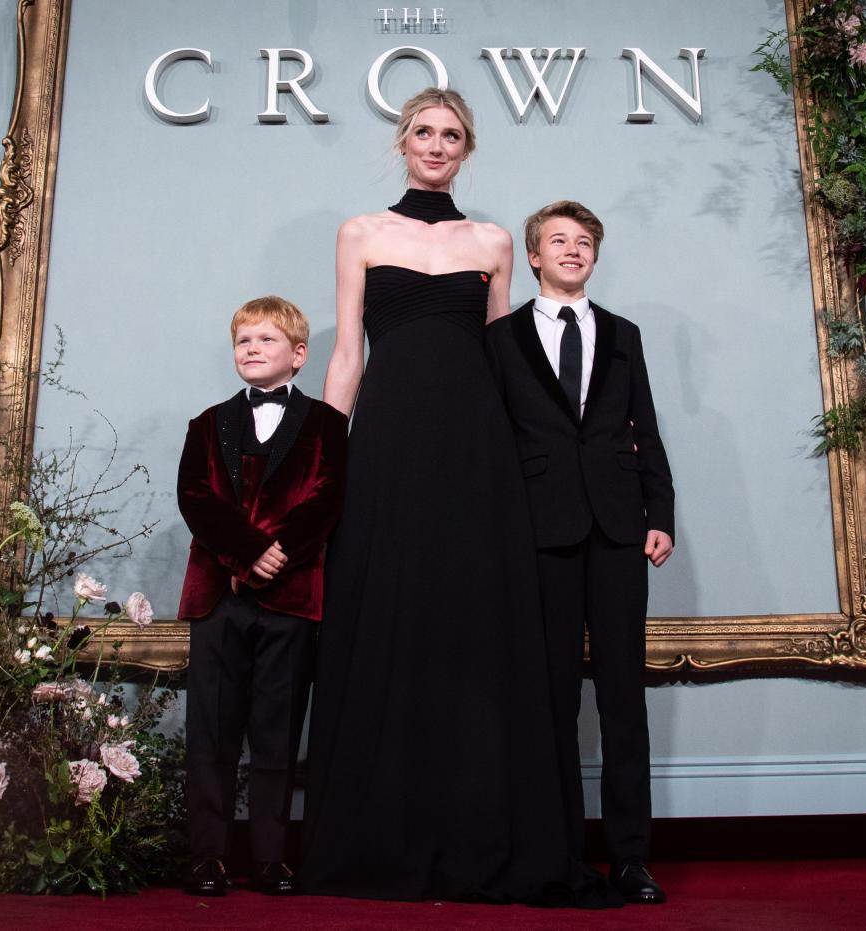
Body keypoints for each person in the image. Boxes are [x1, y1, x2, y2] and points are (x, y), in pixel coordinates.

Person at [299, 89, 615, 907]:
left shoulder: (493, 240)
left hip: (479, 454)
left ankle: (481, 831)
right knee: (387, 615)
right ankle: (380, 837)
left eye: (451, 136)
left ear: (466, 150)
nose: (436, 146)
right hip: (390, 447)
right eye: (423, 133)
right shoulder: (361, 233)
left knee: (473, 629)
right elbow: (345, 360)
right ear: (401, 142)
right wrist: (325, 467)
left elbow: (506, 360)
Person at [486, 201, 675, 904]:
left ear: (593, 256)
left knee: (624, 696)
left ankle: (631, 857)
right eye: (558, 240)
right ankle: (559, 850)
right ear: (533, 256)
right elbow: (495, 442)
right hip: (540, 530)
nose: (572, 249)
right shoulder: (501, 339)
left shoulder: (623, 334)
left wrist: (661, 511)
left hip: (621, 527)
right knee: (551, 698)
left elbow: (644, 426)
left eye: (584, 241)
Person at [176, 296, 347, 897]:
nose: (252, 349)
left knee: (277, 731)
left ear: (298, 355)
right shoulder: (207, 423)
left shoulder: (328, 424)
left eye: (266, 340)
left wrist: (280, 553)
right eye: (243, 341)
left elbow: (328, 498)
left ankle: (271, 857)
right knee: (212, 733)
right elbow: (196, 498)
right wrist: (247, 552)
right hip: (218, 599)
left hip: (290, 598)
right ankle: (207, 857)